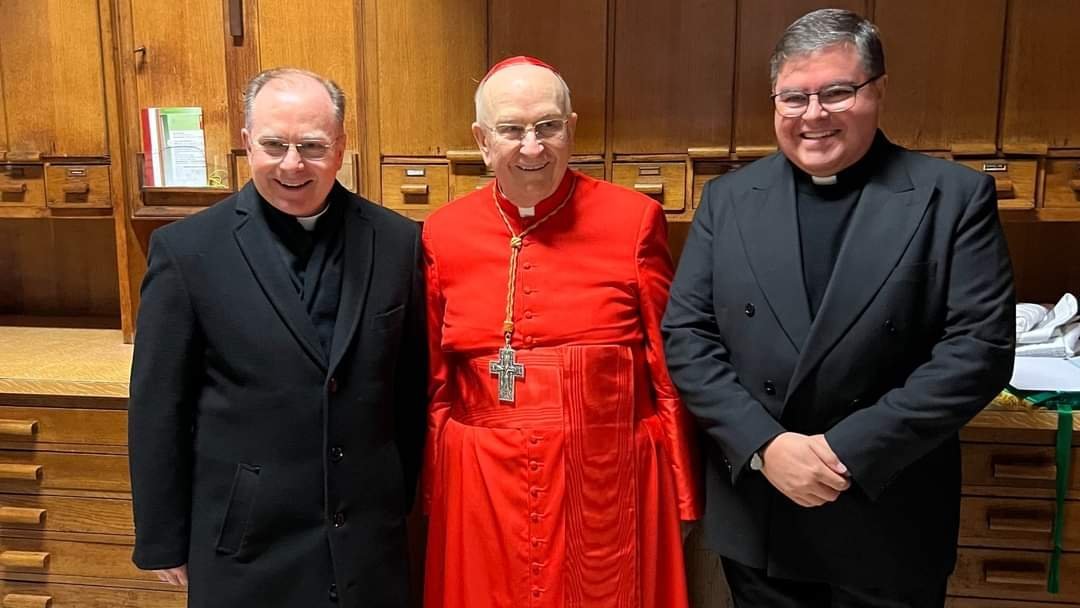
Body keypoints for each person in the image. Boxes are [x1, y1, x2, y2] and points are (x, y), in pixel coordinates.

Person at [662, 9, 1015, 608]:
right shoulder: (728, 200)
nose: (813, 114)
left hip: (887, 508)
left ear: (878, 90)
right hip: (763, 509)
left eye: (836, 93)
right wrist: (765, 446)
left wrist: (844, 453)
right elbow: (688, 337)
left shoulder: (952, 198)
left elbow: (978, 352)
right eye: (794, 97)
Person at [128, 68, 427, 608]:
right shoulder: (187, 251)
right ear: (247, 143)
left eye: (312, 146)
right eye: (274, 145)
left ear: (340, 147)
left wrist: (398, 500)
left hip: (368, 539)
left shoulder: (398, 242)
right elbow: (158, 408)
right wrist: (162, 538)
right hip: (247, 540)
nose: (293, 164)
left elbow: (410, 391)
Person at [421, 56, 701, 608]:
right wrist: (435, 490)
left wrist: (682, 492)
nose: (532, 147)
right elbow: (437, 381)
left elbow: (667, 369)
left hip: (606, 478)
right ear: (482, 140)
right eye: (511, 129)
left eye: (547, 126)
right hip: (483, 485)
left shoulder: (634, 219)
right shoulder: (442, 232)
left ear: (570, 129)